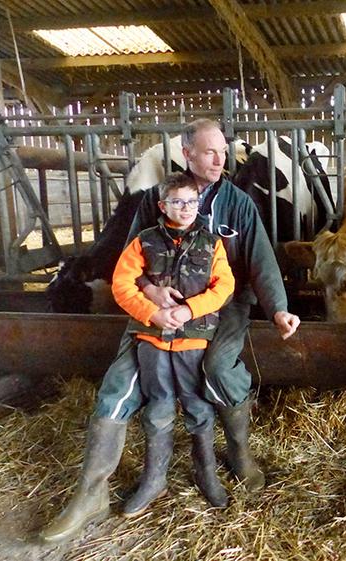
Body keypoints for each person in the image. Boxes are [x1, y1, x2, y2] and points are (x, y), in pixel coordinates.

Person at [39, 119, 300, 543]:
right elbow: (131, 258)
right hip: (158, 305)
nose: (220, 160)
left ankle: (240, 455)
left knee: (217, 368)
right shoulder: (155, 200)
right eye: (210, 152)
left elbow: (261, 262)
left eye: (223, 151)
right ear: (188, 153)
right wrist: (149, 292)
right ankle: (91, 495)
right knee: (119, 381)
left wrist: (280, 311)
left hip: (221, 304)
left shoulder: (238, 203)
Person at [111, 172, 234, 516]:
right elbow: (122, 284)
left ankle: (206, 473)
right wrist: (152, 314)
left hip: (193, 338)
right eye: (177, 202)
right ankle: (154, 478)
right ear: (163, 205)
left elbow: (224, 287)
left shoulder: (211, 243)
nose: (185, 208)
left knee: (197, 403)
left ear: (200, 204)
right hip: (152, 338)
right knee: (159, 402)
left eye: (192, 201)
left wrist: (189, 309)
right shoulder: (144, 241)